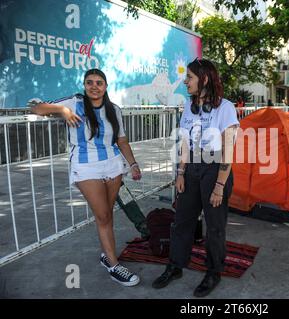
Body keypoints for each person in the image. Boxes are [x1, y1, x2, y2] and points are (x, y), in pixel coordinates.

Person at [30, 69, 142, 286]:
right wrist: (62, 110)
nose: (94, 86)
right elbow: (38, 108)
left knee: (107, 214)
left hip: (113, 165)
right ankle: (114, 265)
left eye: (99, 83)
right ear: (84, 85)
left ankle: (106, 255)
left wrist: (133, 164)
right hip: (85, 167)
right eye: (89, 82)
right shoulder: (74, 102)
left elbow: (122, 141)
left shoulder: (114, 110)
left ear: (106, 86)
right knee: (102, 216)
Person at [152, 58, 239, 297]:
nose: (185, 81)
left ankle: (214, 271)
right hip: (191, 169)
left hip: (215, 170)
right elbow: (184, 143)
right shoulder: (188, 108)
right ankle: (176, 265)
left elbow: (229, 149)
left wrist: (220, 185)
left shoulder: (226, 108)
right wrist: (180, 173)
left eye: (189, 77)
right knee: (182, 220)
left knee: (214, 225)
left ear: (205, 79)